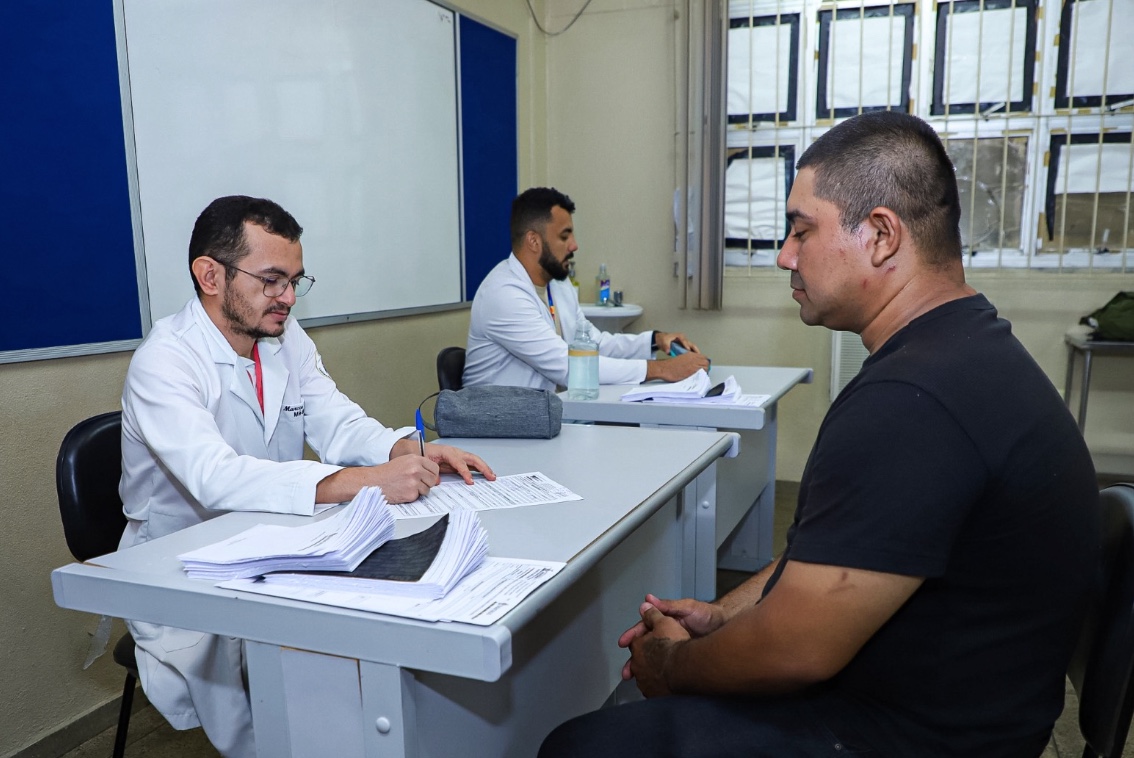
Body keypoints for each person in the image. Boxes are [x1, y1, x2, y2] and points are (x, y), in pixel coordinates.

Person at [539, 112, 1100, 757]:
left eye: (802, 230)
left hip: (905, 737)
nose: (785, 255)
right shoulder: (962, 350)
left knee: (577, 746)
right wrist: (723, 617)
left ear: (882, 235)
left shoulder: (913, 401)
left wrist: (670, 666)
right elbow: (835, 558)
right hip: (946, 705)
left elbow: (794, 651)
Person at [119, 195, 495, 758]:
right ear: (210, 276)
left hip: (277, 543)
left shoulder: (282, 337)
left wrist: (407, 449)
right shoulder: (165, 360)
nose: (289, 298)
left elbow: (335, 418)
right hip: (186, 569)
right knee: (297, 703)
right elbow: (215, 478)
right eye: (272, 280)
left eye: (295, 281)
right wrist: (364, 481)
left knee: (361, 649)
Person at [463, 187, 710, 389]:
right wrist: (662, 369)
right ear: (533, 241)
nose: (574, 245)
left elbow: (592, 342)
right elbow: (569, 366)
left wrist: (654, 341)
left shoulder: (558, 284)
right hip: (497, 429)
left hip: (544, 418)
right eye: (564, 236)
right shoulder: (504, 294)